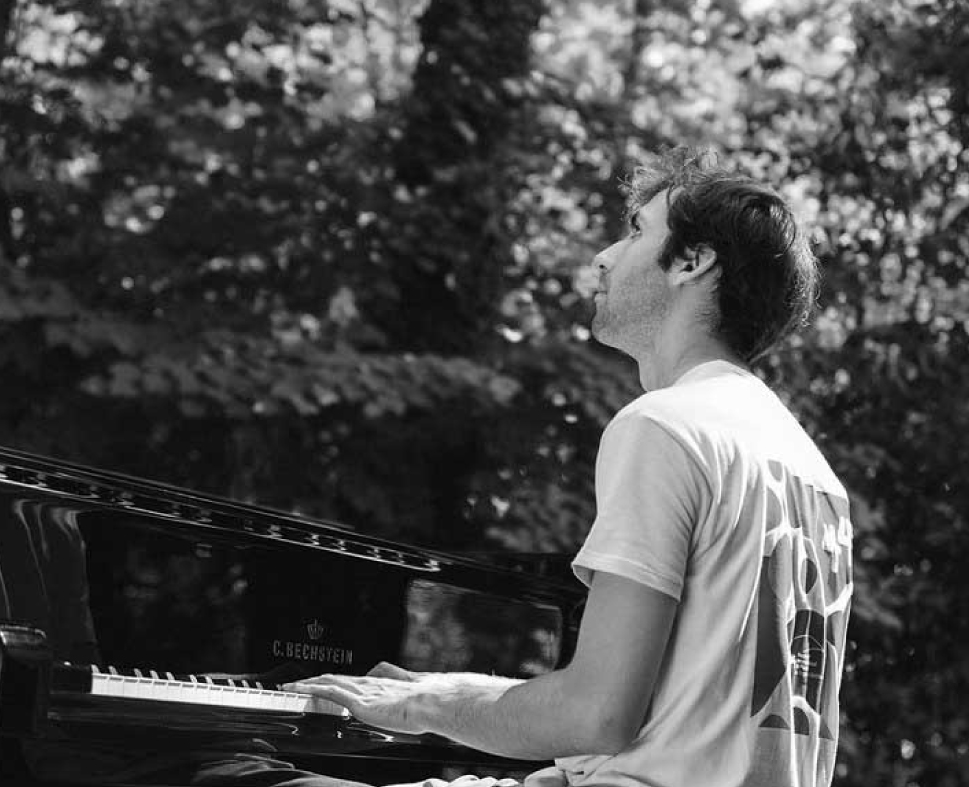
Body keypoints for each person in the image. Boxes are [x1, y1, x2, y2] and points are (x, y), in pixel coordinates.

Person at [287, 147, 853, 787]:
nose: (604, 256)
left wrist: (424, 707)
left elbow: (597, 715)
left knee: (240, 776)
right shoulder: (810, 470)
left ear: (692, 262)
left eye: (636, 231)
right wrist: (445, 686)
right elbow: (690, 715)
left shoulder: (666, 425)